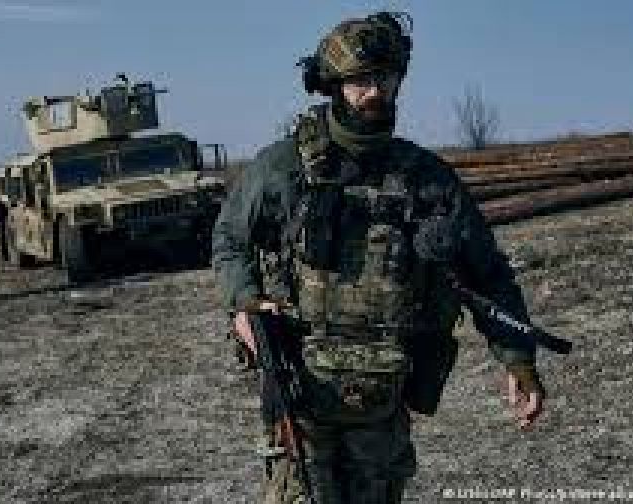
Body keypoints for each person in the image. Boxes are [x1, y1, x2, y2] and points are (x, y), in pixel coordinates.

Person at [212, 12, 546, 504]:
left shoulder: (427, 179)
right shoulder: (282, 169)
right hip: (300, 391)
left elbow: (487, 274)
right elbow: (230, 240)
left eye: (385, 79)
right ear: (333, 86)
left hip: (384, 397)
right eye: (360, 81)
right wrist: (244, 301)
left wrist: (518, 359)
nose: (374, 92)